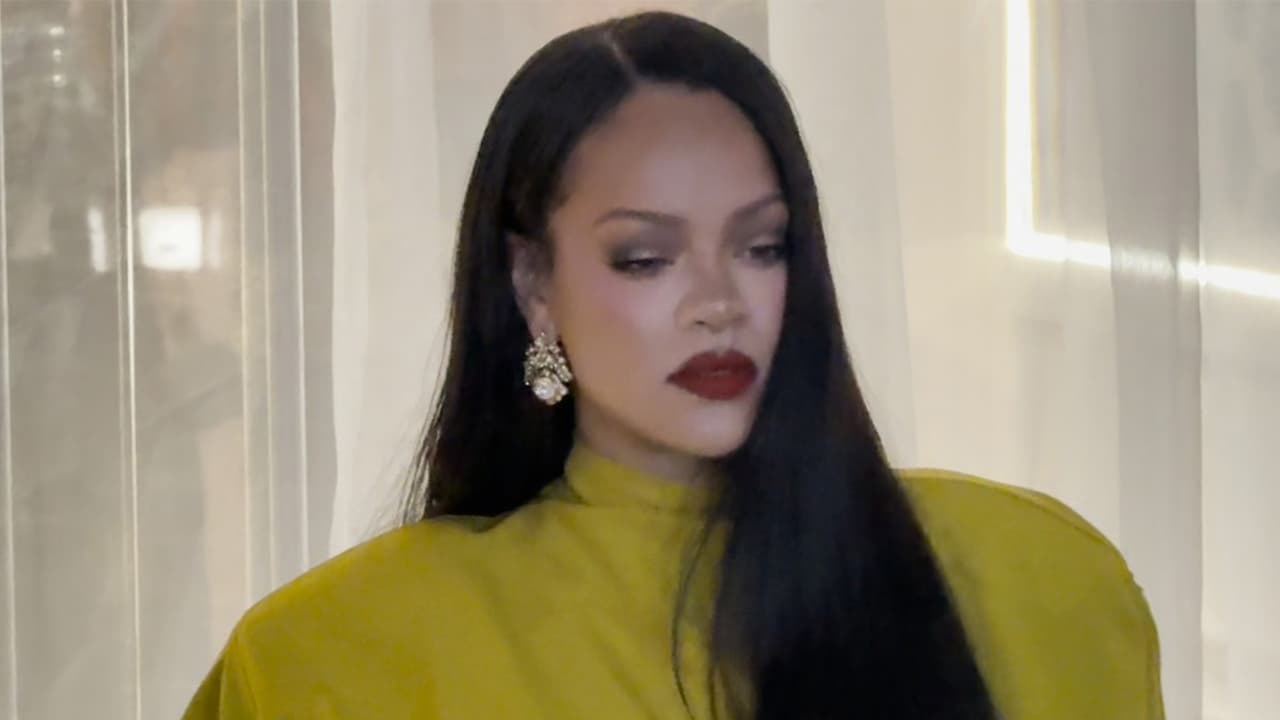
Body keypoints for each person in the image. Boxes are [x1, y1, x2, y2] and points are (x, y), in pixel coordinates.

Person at [184, 11, 1163, 719]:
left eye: (761, 246)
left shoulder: (1039, 575)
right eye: (644, 258)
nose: (717, 302)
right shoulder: (330, 658)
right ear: (531, 282)